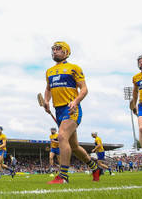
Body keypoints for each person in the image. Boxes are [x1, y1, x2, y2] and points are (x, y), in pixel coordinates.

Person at [42, 41, 100, 184]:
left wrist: (75, 102)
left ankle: (63, 176)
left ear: (66, 52)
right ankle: (95, 168)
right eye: (53, 49)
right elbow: (48, 89)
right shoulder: (49, 71)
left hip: (71, 109)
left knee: (61, 136)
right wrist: (46, 101)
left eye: (58, 49)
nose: (55, 51)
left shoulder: (74, 68)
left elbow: (84, 89)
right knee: (74, 146)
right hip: (58, 110)